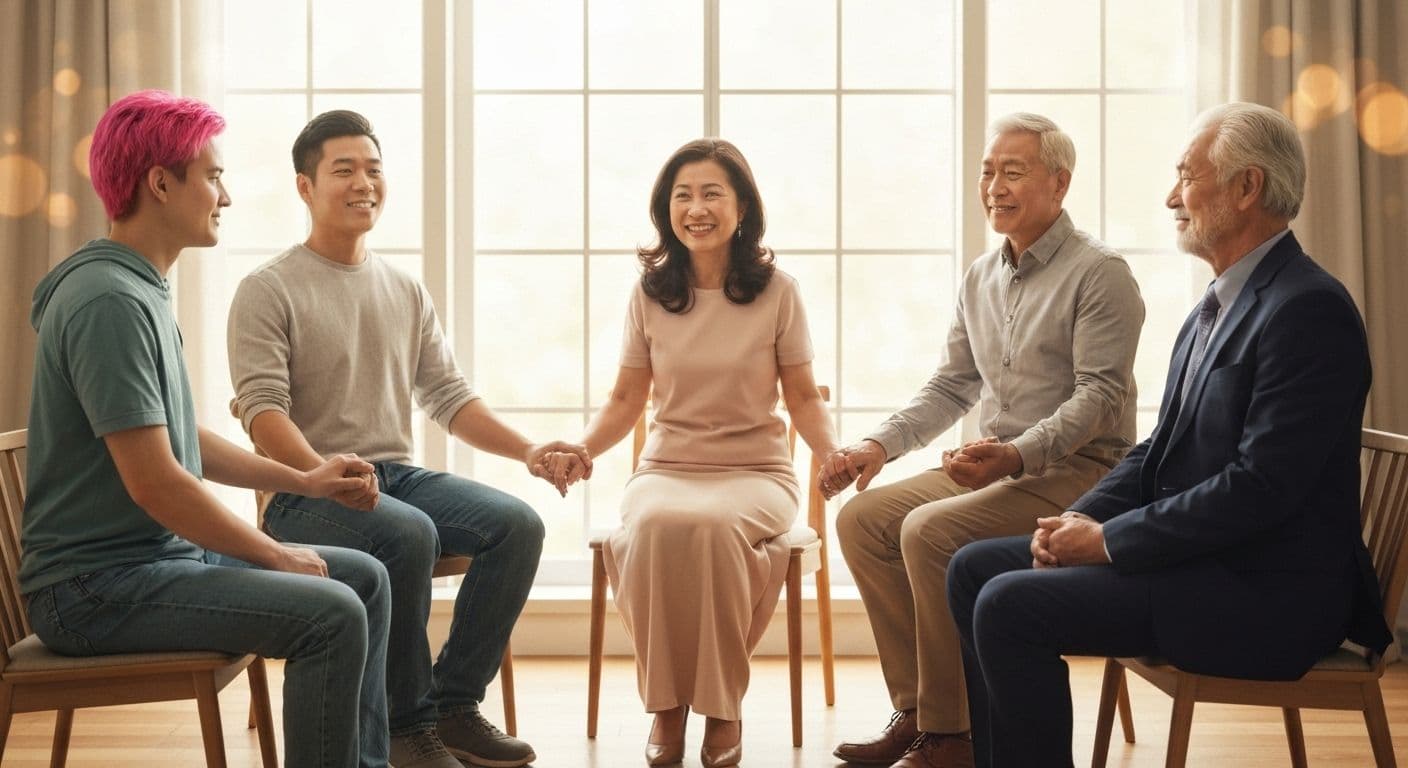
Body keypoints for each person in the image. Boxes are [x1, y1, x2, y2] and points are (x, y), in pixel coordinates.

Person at [946, 102, 1395, 768]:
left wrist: (1109, 544)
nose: (1170, 197)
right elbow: (1159, 451)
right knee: (972, 567)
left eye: (1186, 177)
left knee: (1012, 605)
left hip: (1268, 594)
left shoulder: (1309, 310)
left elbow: (1260, 489)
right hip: (1207, 565)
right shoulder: (1214, 305)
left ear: (1247, 189)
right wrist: (1078, 517)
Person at [21, 89, 392, 768]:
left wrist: (303, 478)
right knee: (330, 613)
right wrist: (275, 554)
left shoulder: (139, 289)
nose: (225, 196)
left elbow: (180, 437)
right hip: (95, 590)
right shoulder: (108, 301)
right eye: (213, 176)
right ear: (161, 184)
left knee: (361, 577)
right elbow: (157, 482)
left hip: (149, 565)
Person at [227, 110, 585, 768]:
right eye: (344, 170)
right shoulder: (267, 289)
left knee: (518, 526)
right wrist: (319, 472)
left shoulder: (403, 288)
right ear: (305, 187)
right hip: (302, 494)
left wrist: (529, 451)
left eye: (374, 168)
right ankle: (404, 725)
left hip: (393, 476)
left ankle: (452, 708)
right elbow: (261, 413)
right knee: (407, 532)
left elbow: (448, 395)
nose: (364, 182)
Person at [822, 114, 1145, 768]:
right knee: (862, 519)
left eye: (1013, 171)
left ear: (1060, 183)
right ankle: (917, 712)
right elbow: (953, 384)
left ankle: (952, 736)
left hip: (1082, 473)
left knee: (927, 531)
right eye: (987, 171)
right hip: (998, 466)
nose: (994, 185)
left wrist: (1019, 453)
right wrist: (877, 447)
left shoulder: (1100, 273)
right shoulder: (981, 276)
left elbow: (1100, 395)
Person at [551, 138, 839, 768]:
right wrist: (581, 448)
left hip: (756, 470)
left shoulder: (778, 292)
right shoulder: (650, 294)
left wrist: (833, 455)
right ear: (666, 210)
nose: (696, 207)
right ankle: (666, 708)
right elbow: (627, 400)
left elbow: (803, 399)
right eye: (683, 195)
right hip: (667, 467)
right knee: (651, 525)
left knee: (711, 528)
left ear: (742, 209)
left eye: (712, 193)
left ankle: (721, 707)